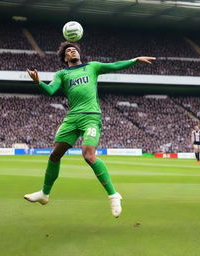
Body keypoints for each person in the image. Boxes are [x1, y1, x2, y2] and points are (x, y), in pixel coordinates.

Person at [24, 41, 156, 218]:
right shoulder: (62, 74)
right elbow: (50, 90)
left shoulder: (92, 67)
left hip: (91, 117)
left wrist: (135, 60)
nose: (72, 51)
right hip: (71, 119)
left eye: (74, 49)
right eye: (68, 51)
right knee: (55, 155)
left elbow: (115, 65)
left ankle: (113, 195)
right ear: (65, 58)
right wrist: (38, 81)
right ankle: (44, 194)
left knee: (88, 154)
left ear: (79, 53)